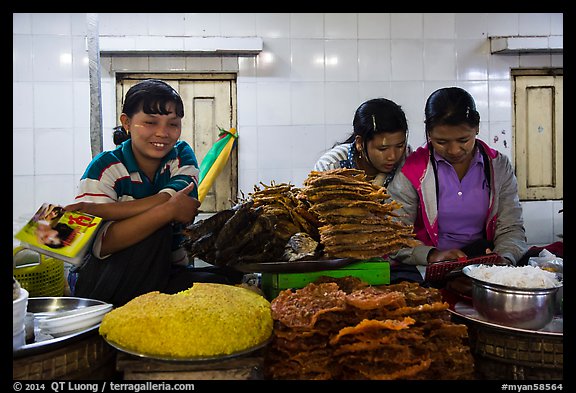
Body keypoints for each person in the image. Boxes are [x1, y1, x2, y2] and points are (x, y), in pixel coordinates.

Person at [64, 79, 242, 306]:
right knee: (154, 231)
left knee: (227, 284)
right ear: (126, 123)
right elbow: (101, 246)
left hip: (164, 274)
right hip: (107, 282)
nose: (163, 133)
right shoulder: (105, 167)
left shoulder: (181, 155)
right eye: (150, 122)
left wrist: (99, 210)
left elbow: (175, 201)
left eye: (172, 124)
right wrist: (167, 212)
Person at [387, 87, 529, 268]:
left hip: (486, 266)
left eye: (463, 140)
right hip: (429, 268)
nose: (454, 151)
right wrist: (430, 256)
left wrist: (503, 260)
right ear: (429, 133)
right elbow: (393, 235)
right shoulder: (413, 170)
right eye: (441, 142)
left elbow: (511, 228)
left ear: (477, 128)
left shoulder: (498, 166)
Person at [313, 98, 412, 187]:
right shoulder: (330, 166)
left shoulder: (408, 159)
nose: (392, 156)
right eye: (383, 149)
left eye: (399, 146)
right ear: (360, 143)